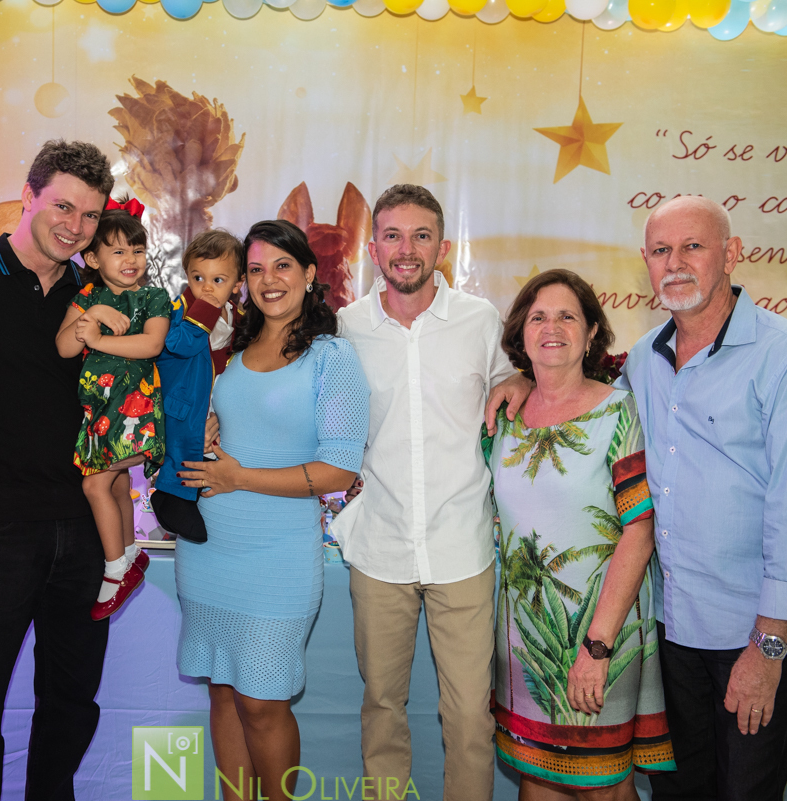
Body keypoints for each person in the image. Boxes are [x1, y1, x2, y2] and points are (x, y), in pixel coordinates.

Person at [611, 196, 787, 800]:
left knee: (746, 792)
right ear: (646, 262)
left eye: (694, 246)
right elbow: (583, 412)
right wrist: (515, 378)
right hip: (674, 627)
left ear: (732, 254)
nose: (676, 263)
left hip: (755, 633)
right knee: (680, 792)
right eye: (662, 250)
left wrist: (768, 651)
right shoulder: (642, 360)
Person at [331, 184, 531, 801]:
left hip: (461, 548)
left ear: (442, 248)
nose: (406, 249)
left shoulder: (480, 320)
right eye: (393, 235)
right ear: (374, 247)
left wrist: (519, 379)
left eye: (421, 236)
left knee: (470, 716)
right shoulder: (346, 328)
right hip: (380, 547)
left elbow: (516, 386)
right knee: (382, 706)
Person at [175, 220, 370, 801]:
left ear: (310, 275)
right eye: (255, 269)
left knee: (262, 700)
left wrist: (238, 476)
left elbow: (339, 471)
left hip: (277, 557)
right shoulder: (227, 351)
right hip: (208, 550)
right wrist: (200, 431)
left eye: (282, 265)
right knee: (224, 692)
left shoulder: (332, 358)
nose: (268, 280)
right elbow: (212, 427)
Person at [0, 140, 116, 801]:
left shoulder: (97, 296)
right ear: (27, 194)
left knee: (72, 699)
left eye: (90, 216)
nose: (74, 226)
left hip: (84, 531)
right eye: (63, 206)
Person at [487, 268, 675, 800]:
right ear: (520, 333)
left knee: (602, 787)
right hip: (525, 642)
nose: (552, 327)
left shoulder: (619, 410)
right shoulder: (505, 416)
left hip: (598, 636)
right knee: (537, 779)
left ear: (592, 332)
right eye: (538, 316)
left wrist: (597, 646)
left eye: (568, 316)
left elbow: (640, 530)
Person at [57, 200, 170, 619]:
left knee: (94, 486)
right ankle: (129, 553)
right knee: (117, 484)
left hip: (135, 414)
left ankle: (114, 569)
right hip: (98, 413)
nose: (131, 260)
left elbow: (151, 345)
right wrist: (93, 314)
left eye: (138, 250)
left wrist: (99, 339)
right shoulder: (87, 296)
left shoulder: (153, 298)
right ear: (92, 258)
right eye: (119, 251)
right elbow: (64, 347)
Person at [152, 228, 246, 542]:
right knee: (182, 455)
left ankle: (192, 501)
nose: (206, 288)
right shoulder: (178, 311)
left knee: (209, 456)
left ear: (238, 283)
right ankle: (170, 500)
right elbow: (179, 345)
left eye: (218, 280)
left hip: (217, 403)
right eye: (198, 278)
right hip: (184, 401)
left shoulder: (239, 315)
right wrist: (202, 313)